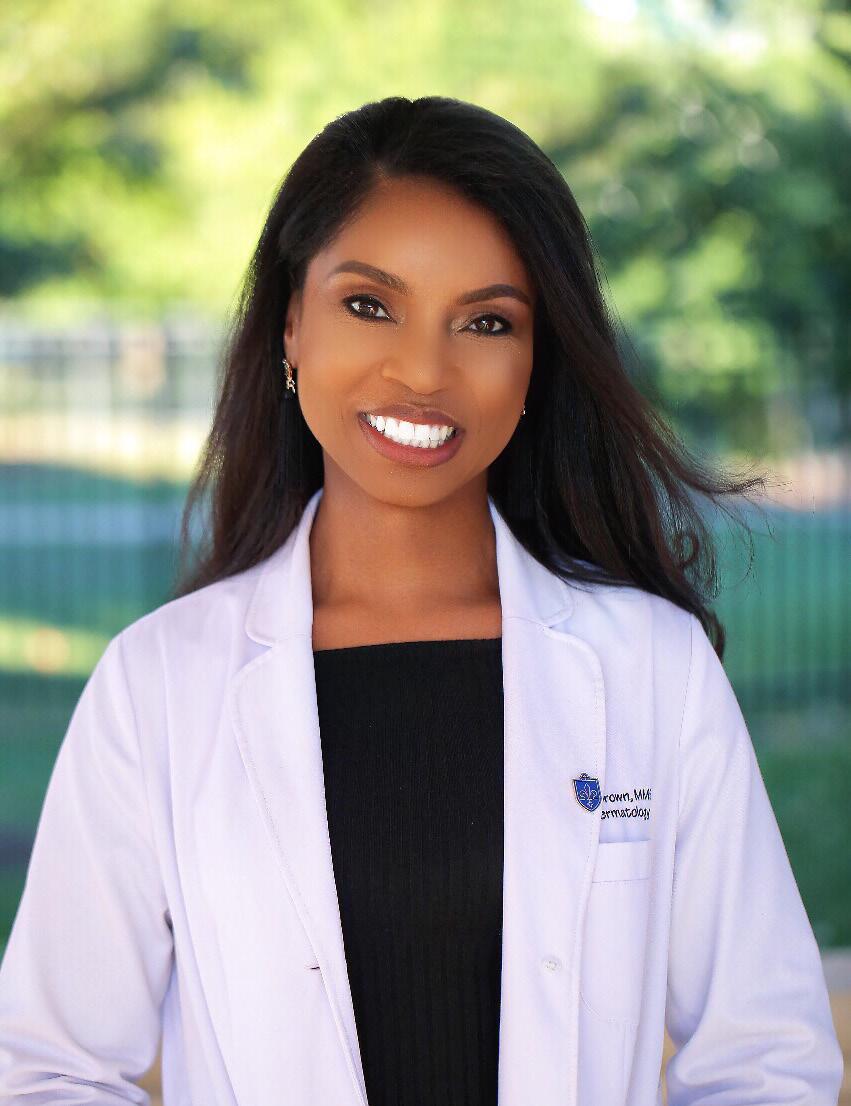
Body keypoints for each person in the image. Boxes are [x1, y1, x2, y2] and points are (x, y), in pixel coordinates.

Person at [0, 96, 843, 1106]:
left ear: (536, 361)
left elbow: (765, 1063)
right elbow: (50, 1070)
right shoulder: (158, 685)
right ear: (289, 324)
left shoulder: (651, 666)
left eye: (486, 321)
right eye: (369, 304)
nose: (423, 371)